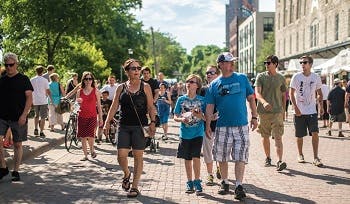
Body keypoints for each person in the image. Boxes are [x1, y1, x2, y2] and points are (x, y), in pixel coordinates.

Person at [205, 52, 258, 200]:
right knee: (222, 157)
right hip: (222, 126)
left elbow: (251, 98)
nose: (232, 64)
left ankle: (239, 185)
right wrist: (208, 124)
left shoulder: (241, 78)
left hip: (241, 125)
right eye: (229, 62)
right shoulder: (214, 85)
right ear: (220, 64)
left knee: (241, 156)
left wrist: (254, 116)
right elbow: (209, 107)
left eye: (233, 61)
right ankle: (225, 182)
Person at [103, 59, 156, 198]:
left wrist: (153, 122)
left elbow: (150, 106)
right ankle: (126, 173)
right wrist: (107, 122)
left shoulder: (145, 87)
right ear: (127, 71)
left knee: (138, 156)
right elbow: (114, 106)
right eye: (133, 68)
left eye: (138, 68)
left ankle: (135, 186)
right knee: (121, 155)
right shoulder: (121, 88)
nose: (137, 70)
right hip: (124, 125)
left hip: (140, 126)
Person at [0, 52, 34, 181]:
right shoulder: (2, 80)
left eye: (11, 65)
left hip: (18, 116)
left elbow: (29, 98)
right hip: (2, 116)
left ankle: (16, 170)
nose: (8, 67)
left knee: (18, 144)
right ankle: (3, 168)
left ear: (16, 64)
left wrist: (24, 115)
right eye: (6, 65)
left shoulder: (24, 79)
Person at [173, 74, 206, 195]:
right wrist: (182, 120)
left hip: (198, 133)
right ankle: (189, 182)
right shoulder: (181, 100)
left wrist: (199, 116)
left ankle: (197, 181)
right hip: (185, 134)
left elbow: (206, 118)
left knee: (196, 157)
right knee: (187, 159)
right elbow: (175, 116)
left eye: (192, 82)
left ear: (197, 86)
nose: (189, 83)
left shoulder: (202, 100)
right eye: (187, 81)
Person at [290, 55, 324, 167]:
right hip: (299, 111)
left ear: (310, 64)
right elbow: (291, 94)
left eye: (304, 62)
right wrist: (295, 107)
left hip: (312, 111)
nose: (302, 65)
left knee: (315, 133)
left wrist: (321, 106)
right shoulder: (296, 77)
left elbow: (320, 93)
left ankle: (316, 157)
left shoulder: (316, 77)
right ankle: (300, 154)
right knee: (299, 135)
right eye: (301, 63)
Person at [255, 55, 287, 171]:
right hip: (263, 112)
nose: (266, 65)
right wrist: (264, 103)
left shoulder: (281, 78)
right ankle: (268, 157)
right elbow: (257, 93)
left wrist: (284, 110)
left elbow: (284, 95)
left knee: (278, 137)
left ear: (275, 64)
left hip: (277, 112)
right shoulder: (261, 77)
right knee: (265, 136)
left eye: (268, 63)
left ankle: (279, 161)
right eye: (265, 63)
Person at [72, 72, 103, 161]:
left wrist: (100, 118)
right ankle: (85, 155)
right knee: (83, 137)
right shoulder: (79, 91)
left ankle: (92, 149)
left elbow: (99, 106)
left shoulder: (96, 91)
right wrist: (76, 106)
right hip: (81, 116)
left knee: (91, 135)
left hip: (92, 116)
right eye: (86, 79)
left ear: (92, 80)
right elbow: (76, 106)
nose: (88, 81)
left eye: (90, 79)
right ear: (83, 80)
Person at [199, 65, 220, 186]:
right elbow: (199, 107)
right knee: (207, 151)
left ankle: (219, 167)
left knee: (220, 150)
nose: (209, 75)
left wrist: (218, 114)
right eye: (207, 73)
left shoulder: (222, 88)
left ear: (217, 74)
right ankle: (210, 174)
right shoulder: (203, 90)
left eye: (211, 72)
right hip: (206, 124)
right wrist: (206, 117)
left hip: (221, 125)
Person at [30, 65, 52, 137]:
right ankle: (41, 131)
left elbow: (30, 90)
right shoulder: (45, 80)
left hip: (35, 100)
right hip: (43, 100)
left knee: (36, 115)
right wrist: (51, 99)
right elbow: (48, 91)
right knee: (43, 117)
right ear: (42, 72)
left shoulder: (32, 80)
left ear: (36, 71)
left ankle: (36, 128)